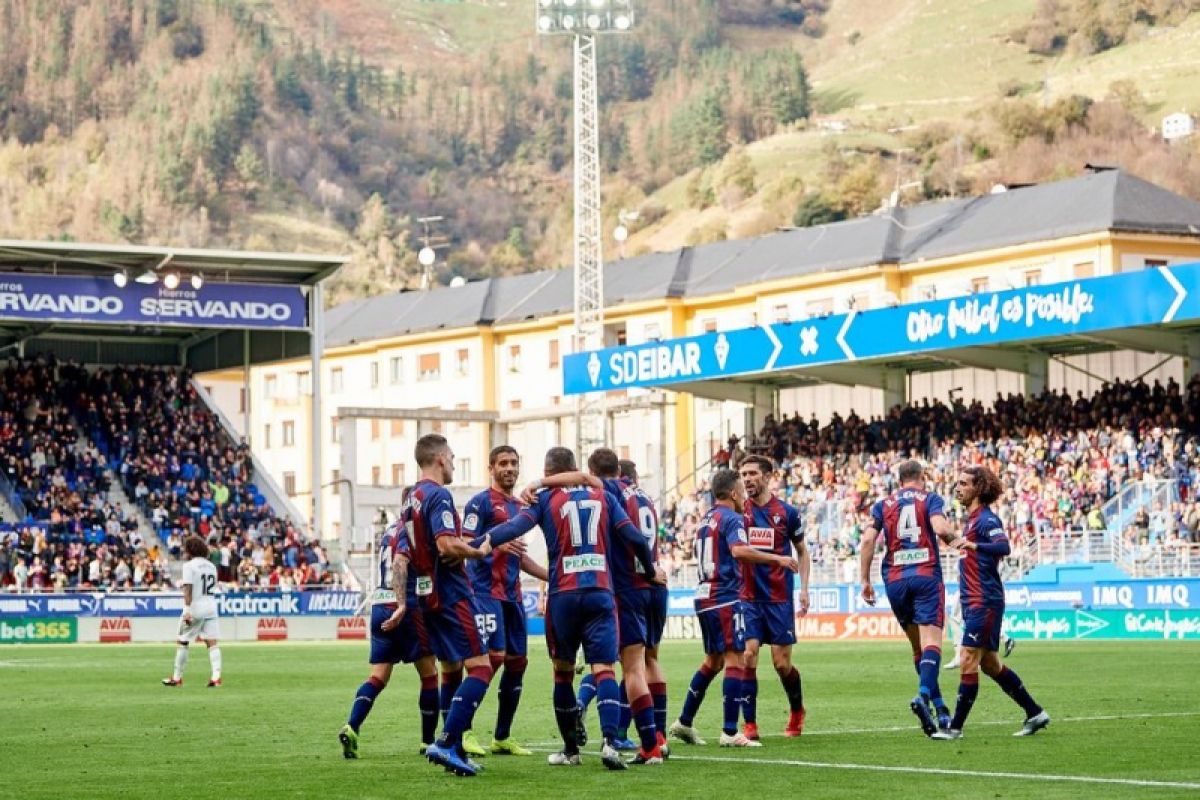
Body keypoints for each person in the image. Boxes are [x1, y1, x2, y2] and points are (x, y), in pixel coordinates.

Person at [479, 446, 664, 769]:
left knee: (562, 674)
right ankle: (609, 744)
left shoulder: (545, 499)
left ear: (549, 474)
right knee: (604, 669)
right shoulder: (603, 495)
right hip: (600, 592)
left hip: (563, 595)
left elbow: (513, 530)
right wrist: (650, 571)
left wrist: (480, 543)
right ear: (574, 468)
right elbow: (634, 537)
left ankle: (570, 751)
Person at [669, 469, 798, 748]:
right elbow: (739, 551)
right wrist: (777, 560)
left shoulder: (706, 520)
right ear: (732, 493)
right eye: (740, 489)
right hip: (725, 596)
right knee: (735, 660)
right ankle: (729, 731)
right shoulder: (732, 518)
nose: (743, 495)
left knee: (712, 661)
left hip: (704, 595)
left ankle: (684, 721)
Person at [562, 451, 669, 759]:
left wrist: (540, 482)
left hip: (628, 586)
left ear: (594, 473)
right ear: (621, 469)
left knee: (624, 665)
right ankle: (658, 735)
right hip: (656, 588)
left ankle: (649, 745)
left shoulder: (607, 491)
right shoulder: (645, 497)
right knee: (650, 660)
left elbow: (582, 480)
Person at [933, 465, 1051, 740]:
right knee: (991, 666)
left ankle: (955, 728)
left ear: (979, 488)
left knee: (966, 659)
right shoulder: (971, 521)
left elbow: (1004, 546)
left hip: (984, 600)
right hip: (976, 601)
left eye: (964, 483)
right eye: (957, 483)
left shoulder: (986, 520)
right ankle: (1035, 713)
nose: (958, 488)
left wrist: (975, 546)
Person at [405, 435, 495, 778]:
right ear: (441, 458)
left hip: (427, 594)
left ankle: (454, 750)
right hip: (452, 593)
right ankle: (446, 741)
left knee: (452, 669)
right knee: (482, 668)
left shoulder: (412, 498)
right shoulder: (439, 495)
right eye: (453, 457)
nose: (455, 463)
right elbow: (445, 544)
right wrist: (478, 551)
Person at [461, 445, 549, 757]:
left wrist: (554, 576)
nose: (509, 468)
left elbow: (521, 558)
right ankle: (463, 730)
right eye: (503, 463)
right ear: (491, 468)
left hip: (513, 597)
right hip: (484, 593)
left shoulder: (521, 509)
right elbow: (464, 544)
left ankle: (502, 736)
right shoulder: (480, 503)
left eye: (514, 463)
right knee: (492, 659)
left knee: (518, 662)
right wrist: (497, 544)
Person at [859, 459, 954, 735]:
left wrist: (865, 580)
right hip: (926, 576)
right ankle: (923, 697)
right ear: (921, 477)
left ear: (899, 480)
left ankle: (941, 709)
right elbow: (940, 528)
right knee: (932, 643)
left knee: (918, 649)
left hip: (896, 580)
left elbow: (867, 541)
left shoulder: (883, 504)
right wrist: (957, 540)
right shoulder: (930, 498)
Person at [338, 515, 439, 759]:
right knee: (430, 674)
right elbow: (399, 564)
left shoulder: (389, 531)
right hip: (403, 605)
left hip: (380, 604)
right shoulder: (412, 530)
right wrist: (403, 604)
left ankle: (352, 726)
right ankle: (428, 742)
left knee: (378, 676)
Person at [737, 455, 810, 740]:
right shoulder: (738, 511)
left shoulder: (787, 512)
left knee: (781, 664)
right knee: (748, 655)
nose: (747, 479)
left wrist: (803, 588)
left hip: (779, 598)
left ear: (768, 476)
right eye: (743, 474)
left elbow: (802, 551)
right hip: (748, 597)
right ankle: (750, 725)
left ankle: (796, 709)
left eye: (752, 473)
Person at [162, 535, 222, 688]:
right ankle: (216, 677)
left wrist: (187, 610)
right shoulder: (211, 566)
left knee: (183, 640)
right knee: (212, 643)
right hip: (211, 607)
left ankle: (177, 678)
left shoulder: (189, 566)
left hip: (196, 607)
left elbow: (188, 588)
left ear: (190, 550)